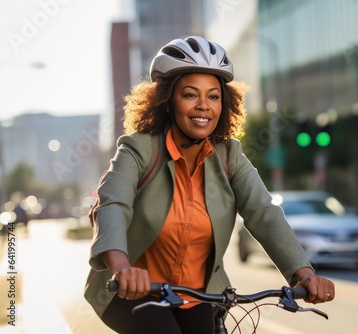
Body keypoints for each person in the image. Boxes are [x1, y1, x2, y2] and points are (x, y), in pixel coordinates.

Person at [84, 36, 335, 333]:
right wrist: (122, 268)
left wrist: (303, 273)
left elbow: (263, 213)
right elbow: (113, 204)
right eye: (190, 95)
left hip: (195, 296)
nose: (204, 106)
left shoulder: (229, 156)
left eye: (213, 96)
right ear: (166, 100)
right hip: (132, 293)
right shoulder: (140, 149)